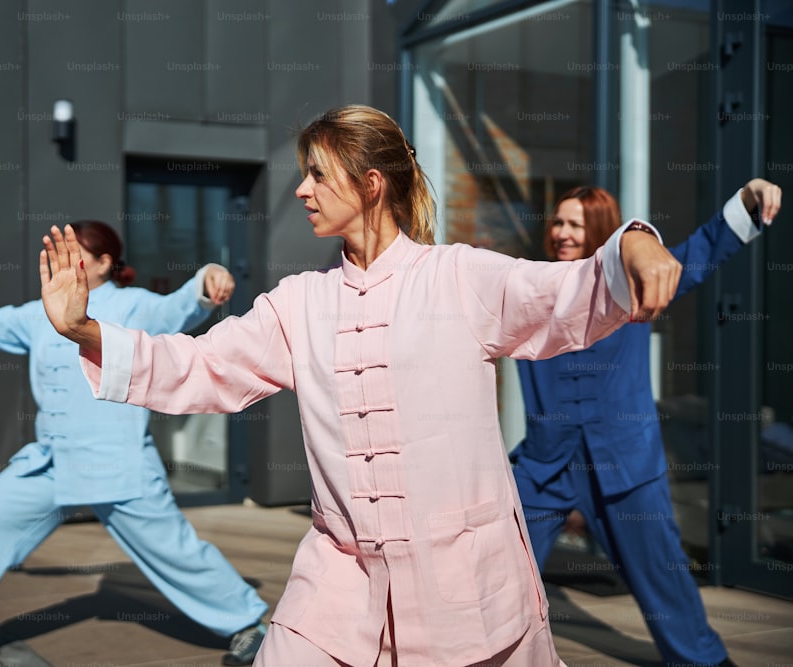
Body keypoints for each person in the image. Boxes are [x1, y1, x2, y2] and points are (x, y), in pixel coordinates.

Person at [38, 105, 682, 666]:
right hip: (339, 577)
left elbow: (568, 290)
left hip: (464, 577)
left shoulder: (459, 278)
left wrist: (636, 243)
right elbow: (201, 364)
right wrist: (85, 330)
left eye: (317, 173)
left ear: (370, 184)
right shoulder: (300, 302)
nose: (301, 190)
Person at [0, 220, 270, 667]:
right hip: (50, 463)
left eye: (79, 252)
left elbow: (180, 307)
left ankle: (249, 626)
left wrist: (209, 276)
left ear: (105, 263)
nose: (67, 260)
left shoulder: (133, 305)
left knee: (176, 552)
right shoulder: (40, 310)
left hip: (118, 466)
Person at [510, 180, 781, 667]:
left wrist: (745, 203)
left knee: (663, 581)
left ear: (598, 231)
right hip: (543, 466)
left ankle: (705, 662)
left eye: (575, 224)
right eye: (557, 222)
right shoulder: (529, 289)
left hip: (624, 466)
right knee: (496, 571)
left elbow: (698, 253)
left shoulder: (631, 283)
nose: (562, 233)